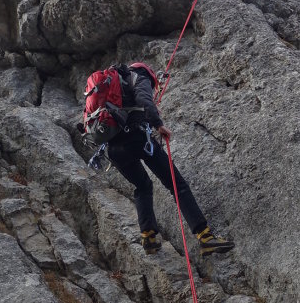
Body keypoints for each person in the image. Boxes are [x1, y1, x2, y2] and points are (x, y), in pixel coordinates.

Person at [83, 61, 233, 255]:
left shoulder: (110, 85)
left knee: (143, 186)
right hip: (137, 138)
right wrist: (159, 125)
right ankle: (205, 236)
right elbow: (145, 100)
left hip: (114, 149)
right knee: (177, 185)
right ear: (149, 74)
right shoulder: (139, 76)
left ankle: (149, 237)